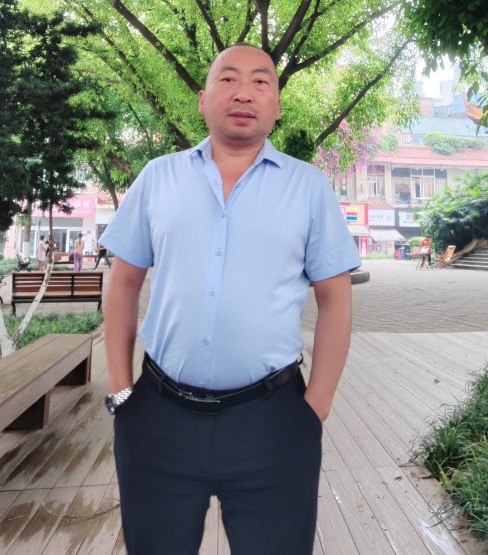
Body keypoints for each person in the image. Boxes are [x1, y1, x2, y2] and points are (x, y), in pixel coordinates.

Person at [100, 44, 360, 555]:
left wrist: (315, 408)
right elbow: (124, 282)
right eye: (228, 79)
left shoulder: (308, 187)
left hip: (273, 420)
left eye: (261, 82)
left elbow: (336, 298)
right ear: (202, 100)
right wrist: (122, 392)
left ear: (277, 105)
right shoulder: (158, 177)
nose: (244, 93)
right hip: (158, 417)